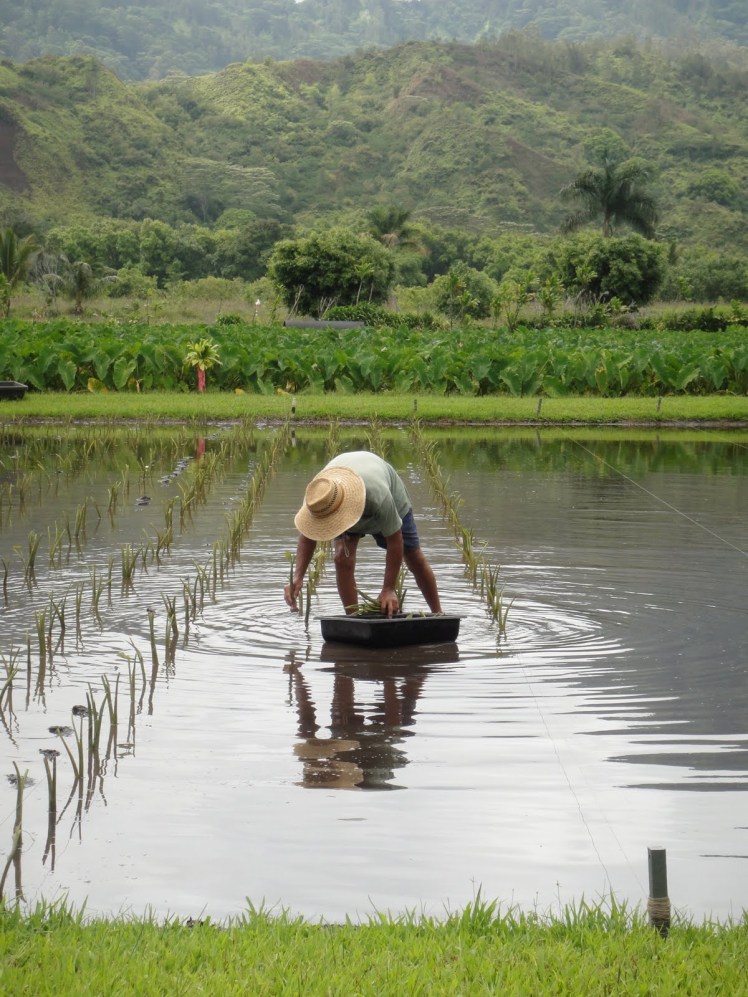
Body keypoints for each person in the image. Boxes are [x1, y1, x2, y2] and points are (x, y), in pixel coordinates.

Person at [284, 450, 442, 617]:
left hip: (384, 497)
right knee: (341, 558)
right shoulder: (317, 498)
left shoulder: (378, 495)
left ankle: (439, 615)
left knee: (413, 557)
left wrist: (388, 589)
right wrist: (298, 577)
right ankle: (353, 619)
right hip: (341, 496)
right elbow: (307, 536)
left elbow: (395, 541)